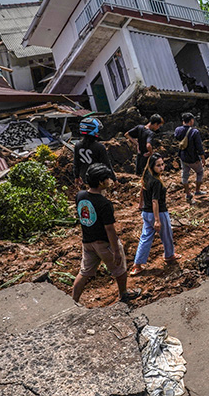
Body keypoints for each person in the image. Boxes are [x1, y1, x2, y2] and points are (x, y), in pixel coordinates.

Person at [72, 163, 140, 303]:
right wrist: (115, 251)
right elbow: (109, 229)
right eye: (107, 178)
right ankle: (123, 294)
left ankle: (73, 302)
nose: (109, 180)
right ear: (101, 182)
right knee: (119, 270)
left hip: (87, 241)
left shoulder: (80, 196)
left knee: (84, 272)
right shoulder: (104, 204)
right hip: (103, 243)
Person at [130, 154, 181, 276]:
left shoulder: (146, 177)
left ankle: (137, 264)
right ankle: (169, 255)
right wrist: (157, 220)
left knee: (146, 237)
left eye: (162, 164)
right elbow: (155, 201)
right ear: (152, 166)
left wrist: (140, 204)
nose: (162, 167)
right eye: (158, 165)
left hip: (146, 213)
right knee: (167, 234)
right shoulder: (156, 182)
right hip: (158, 213)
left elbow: (142, 191)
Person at [73, 118, 116, 187]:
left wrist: (76, 176)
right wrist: (114, 179)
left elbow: (76, 164)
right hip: (99, 179)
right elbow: (107, 164)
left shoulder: (77, 145)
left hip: (86, 178)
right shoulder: (99, 147)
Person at [174, 112, 206, 202]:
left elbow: (176, 138)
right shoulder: (194, 132)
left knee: (184, 175)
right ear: (191, 120)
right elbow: (199, 146)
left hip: (183, 157)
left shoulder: (177, 130)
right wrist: (202, 157)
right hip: (193, 158)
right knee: (199, 172)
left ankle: (188, 194)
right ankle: (197, 191)